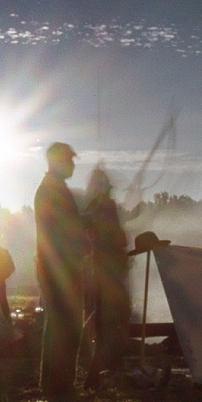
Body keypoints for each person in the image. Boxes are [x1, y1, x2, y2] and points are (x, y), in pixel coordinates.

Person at [35, 142, 86, 398]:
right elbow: (63, 231)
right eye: (70, 160)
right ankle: (59, 386)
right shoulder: (52, 191)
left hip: (58, 267)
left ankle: (56, 385)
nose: (73, 165)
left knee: (61, 326)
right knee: (65, 327)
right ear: (58, 162)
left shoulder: (52, 189)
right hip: (60, 269)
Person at [81, 166, 131, 389]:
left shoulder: (97, 207)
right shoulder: (103, 207)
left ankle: (104, 368)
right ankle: (100, 370)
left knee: (110, 317)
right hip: (107, 270)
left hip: (105, 269)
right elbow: (114, 237)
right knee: (112, 317)